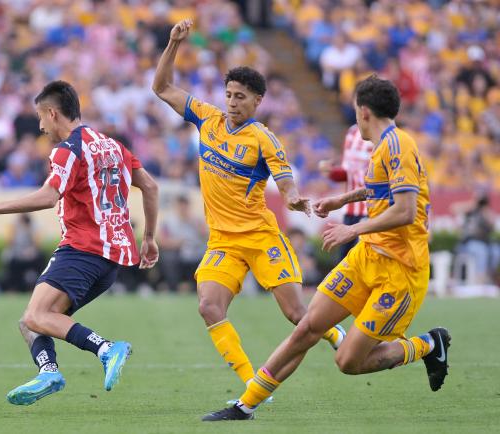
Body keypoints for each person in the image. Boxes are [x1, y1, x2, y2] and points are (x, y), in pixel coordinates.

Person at [203, 76, 450, 421]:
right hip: (367, 258)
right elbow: (378, 192)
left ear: (363, 112)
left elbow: (405, 210)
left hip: (400, 271)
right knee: (306, 328)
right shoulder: (384, 145)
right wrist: (341, 199)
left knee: (348, 362)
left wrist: (354, 229)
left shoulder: (399, 145)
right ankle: (245, 406)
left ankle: (427, 345)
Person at [152, 19, 345, 400]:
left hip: (259, 236)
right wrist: (173, 44)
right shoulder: (207, 119)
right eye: (229, 94)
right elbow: (160, 87)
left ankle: (339, 336)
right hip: (223, 240)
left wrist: (292, 198)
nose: (232, 101)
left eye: (241, 96)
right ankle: (253, 385)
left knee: (295, 314)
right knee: (209, 307)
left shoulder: (263, 139)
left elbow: (285, 180)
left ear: (257, 101)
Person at [0, 80, 159, 405]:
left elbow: (49, 196)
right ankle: (48, 372)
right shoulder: (112, 145)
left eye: (40, 117)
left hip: (82, 249)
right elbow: (150, 186)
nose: (39, 125)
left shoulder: (68, 149)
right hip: (112, 259)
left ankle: (107, 348)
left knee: (36, 316)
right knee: (32, 320)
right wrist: (148, 237)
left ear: (53, 113)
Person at [318, 124, 373, 258]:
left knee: (365, 260)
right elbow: (349, 172)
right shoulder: (352, 132)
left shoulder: (386, 136)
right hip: (351, 210)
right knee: (345, 262)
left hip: (373, 211)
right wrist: (331, 172)